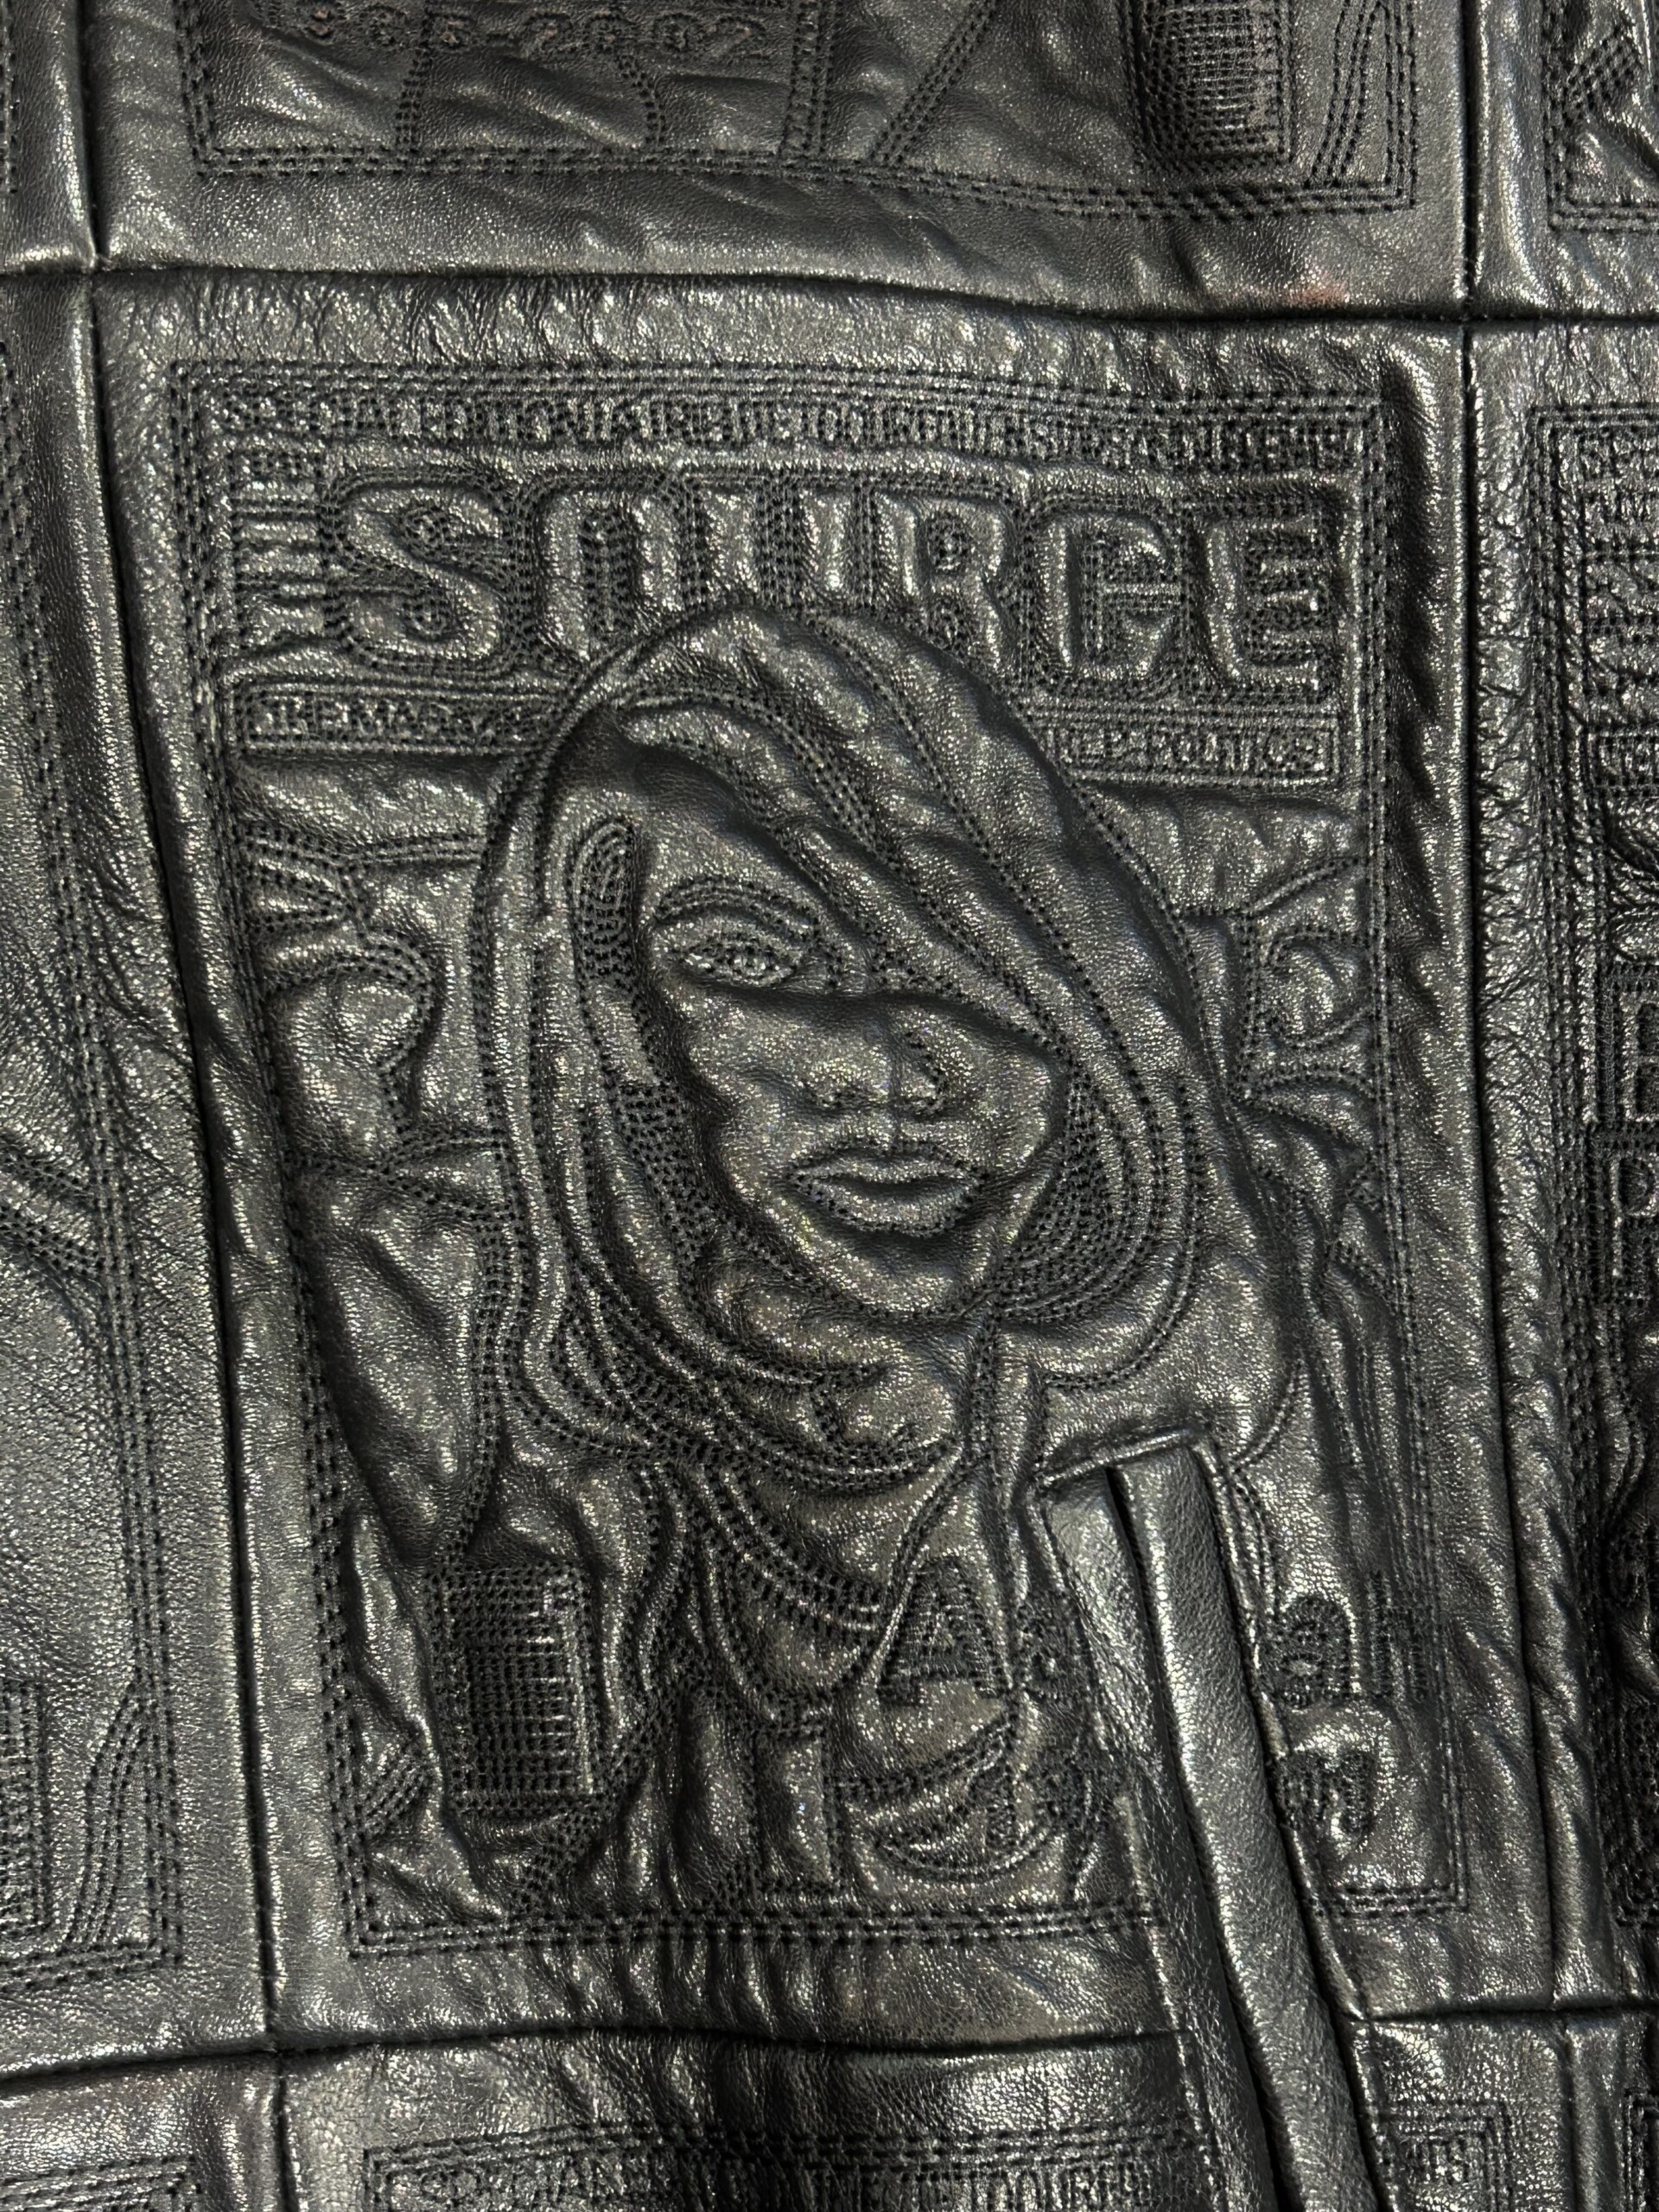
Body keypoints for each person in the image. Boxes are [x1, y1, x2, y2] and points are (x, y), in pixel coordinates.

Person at [327, 605, 1422, 1928]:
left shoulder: (1257, 1359)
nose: (897, 1074)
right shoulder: (480, 1377)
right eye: (750, 961)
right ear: (610, 1017)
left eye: (971, 978)